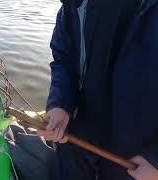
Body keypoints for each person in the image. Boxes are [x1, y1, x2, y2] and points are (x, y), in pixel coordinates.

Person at [35, 0, 158, 179]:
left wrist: (156, 160)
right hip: (77, 143)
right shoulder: (74, 4)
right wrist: (60, 104)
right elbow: (63, 60)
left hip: (140, 162)